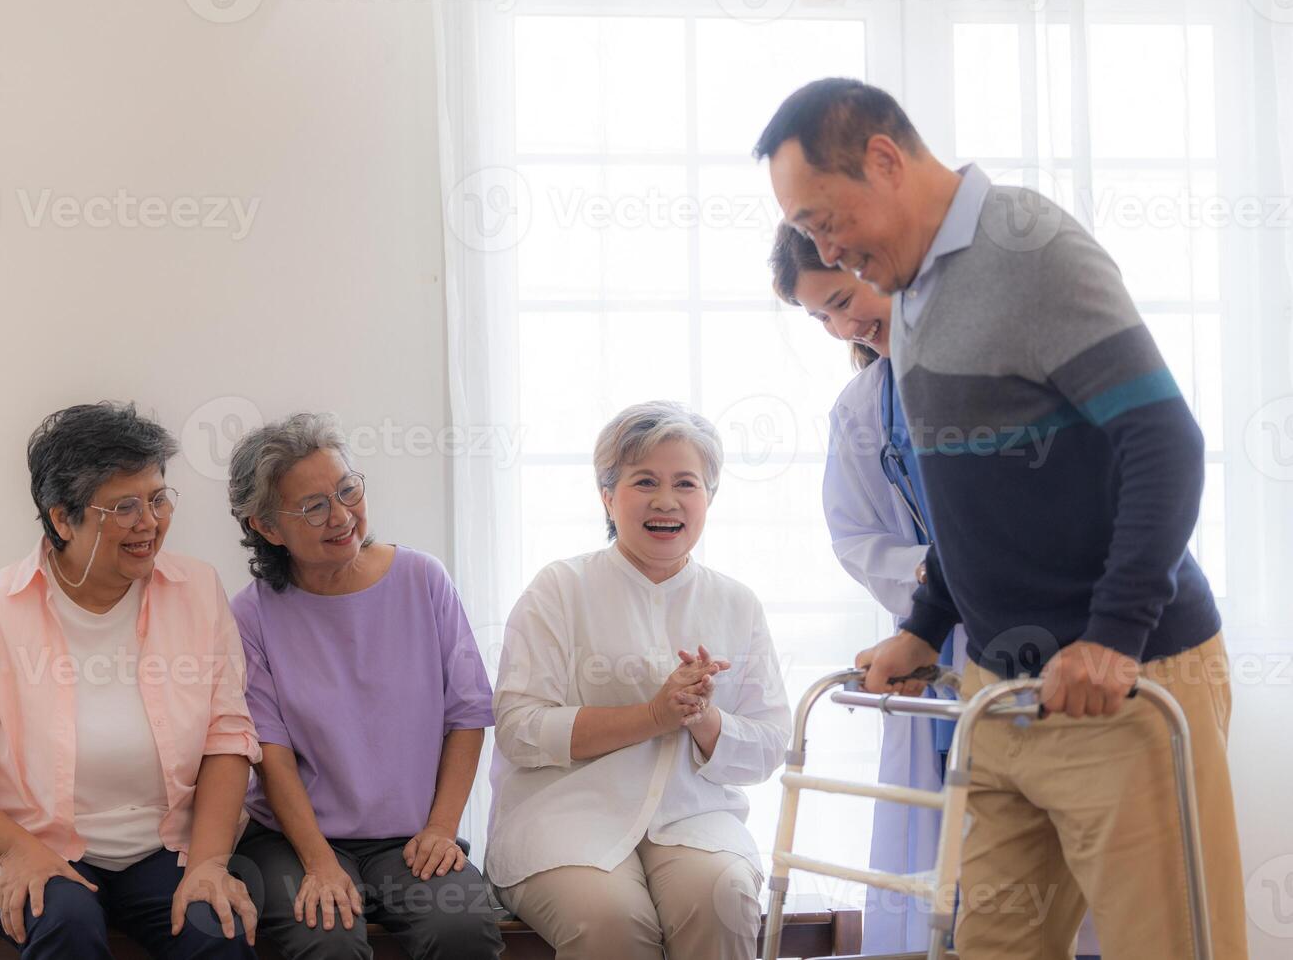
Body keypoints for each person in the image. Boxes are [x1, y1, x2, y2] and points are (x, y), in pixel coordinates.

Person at [756, 77, 1246, 959]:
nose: (826, 248)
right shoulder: (908, 293)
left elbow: (1164, 440)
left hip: (1123, 688)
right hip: (1002, 696)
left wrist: (1114, 636)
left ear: (883, 160)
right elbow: (971, 498)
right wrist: (926, 623)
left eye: (825, 221)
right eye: (807, 235)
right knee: (983, 945)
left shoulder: (1030, 249)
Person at [0, 402, 261, 959]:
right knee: (65, 921)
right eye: (124, 507)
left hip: (161, 851)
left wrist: (208, 864)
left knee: (218, 931)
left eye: (159, 498)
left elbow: (227, 735)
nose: (150, 522)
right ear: (62, 517)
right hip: (31, 846)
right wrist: (15, 852)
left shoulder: (196, 590)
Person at [486, 401, 791, 960]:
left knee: (723, 899)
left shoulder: (735, 603)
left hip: (693, 817)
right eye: (644, 481)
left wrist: (704, 718)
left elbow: (771, 746)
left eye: (686, 483)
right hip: (566, 816)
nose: (666, 500)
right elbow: (519, 730)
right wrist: (652, 716)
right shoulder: (559, 589)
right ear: (608, 495)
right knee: (610, 921)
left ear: (709, 497)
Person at [226, 412, 503, 960]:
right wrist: (320, 863)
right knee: (325, 936)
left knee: (461, 930)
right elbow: (271, 754)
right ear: (266, 527)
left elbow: (468, 713)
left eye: (348, 490)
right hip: (290, 839)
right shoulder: (251, 615)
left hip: (410, 837)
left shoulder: (423, 579)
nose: (342, 515)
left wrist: (442, 829)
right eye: (314, 506)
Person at [770, 223, 965, 952]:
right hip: (935, 639)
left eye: (843, 300)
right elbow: (854, 535)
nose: (841, 326)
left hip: (1040, 640)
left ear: (877, 266)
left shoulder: (981, 366)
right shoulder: (862, 407)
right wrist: (926, 568)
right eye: (820, 316)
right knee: (947, 860)